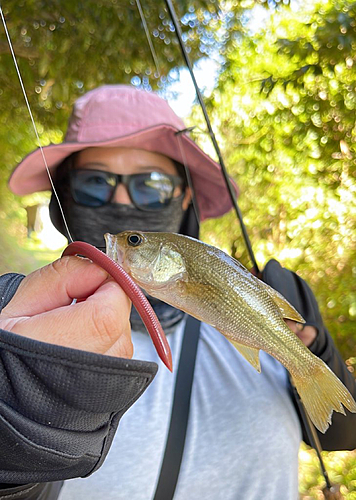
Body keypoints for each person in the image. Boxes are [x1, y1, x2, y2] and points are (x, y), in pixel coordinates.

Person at [1, 85, 355, 500]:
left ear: (185, 195)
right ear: (63, 198)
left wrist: (317, 359)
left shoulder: (273, 295)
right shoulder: (20, 323)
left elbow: (341, 434)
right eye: (94, 182)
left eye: (150, 184)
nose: (120, 200)